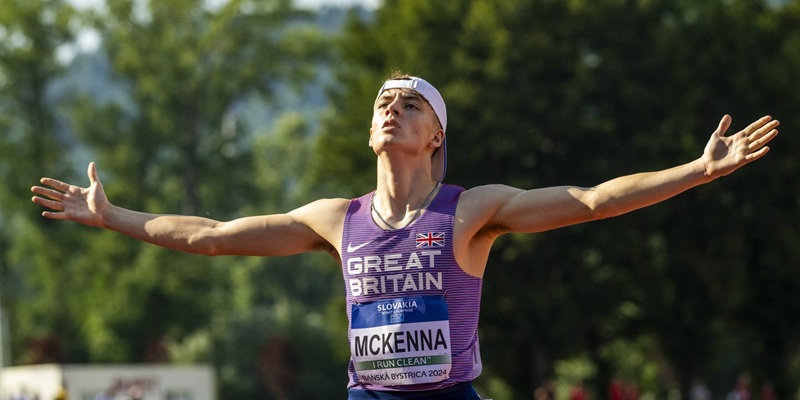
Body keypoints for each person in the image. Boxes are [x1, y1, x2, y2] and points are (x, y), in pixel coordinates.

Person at [30, 74, 779, 400]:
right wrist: (112, 216)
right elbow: (213, 236)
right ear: (370, 131)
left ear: (435, 136)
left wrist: (696, 170)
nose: (392, 109)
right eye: (383, 103)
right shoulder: (335, 218)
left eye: (410, 104)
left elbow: (589, 201)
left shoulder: (471, 209)